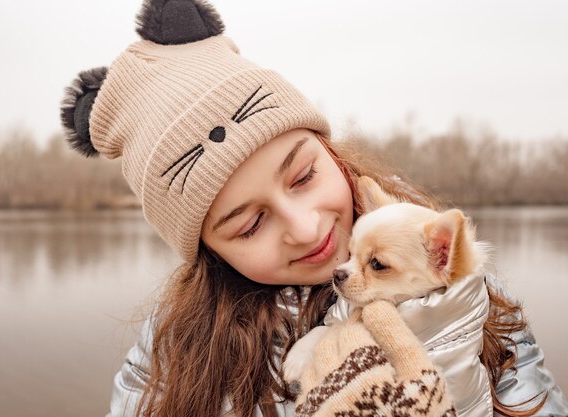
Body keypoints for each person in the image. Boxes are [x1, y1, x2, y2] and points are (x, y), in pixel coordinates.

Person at [60, 1, 568, 416]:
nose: (305, 229)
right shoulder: (176, 352)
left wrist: (451, 369)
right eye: (250, 224)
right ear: (209, 251)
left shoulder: (461, 284)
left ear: (329, 151)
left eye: (304, 175)